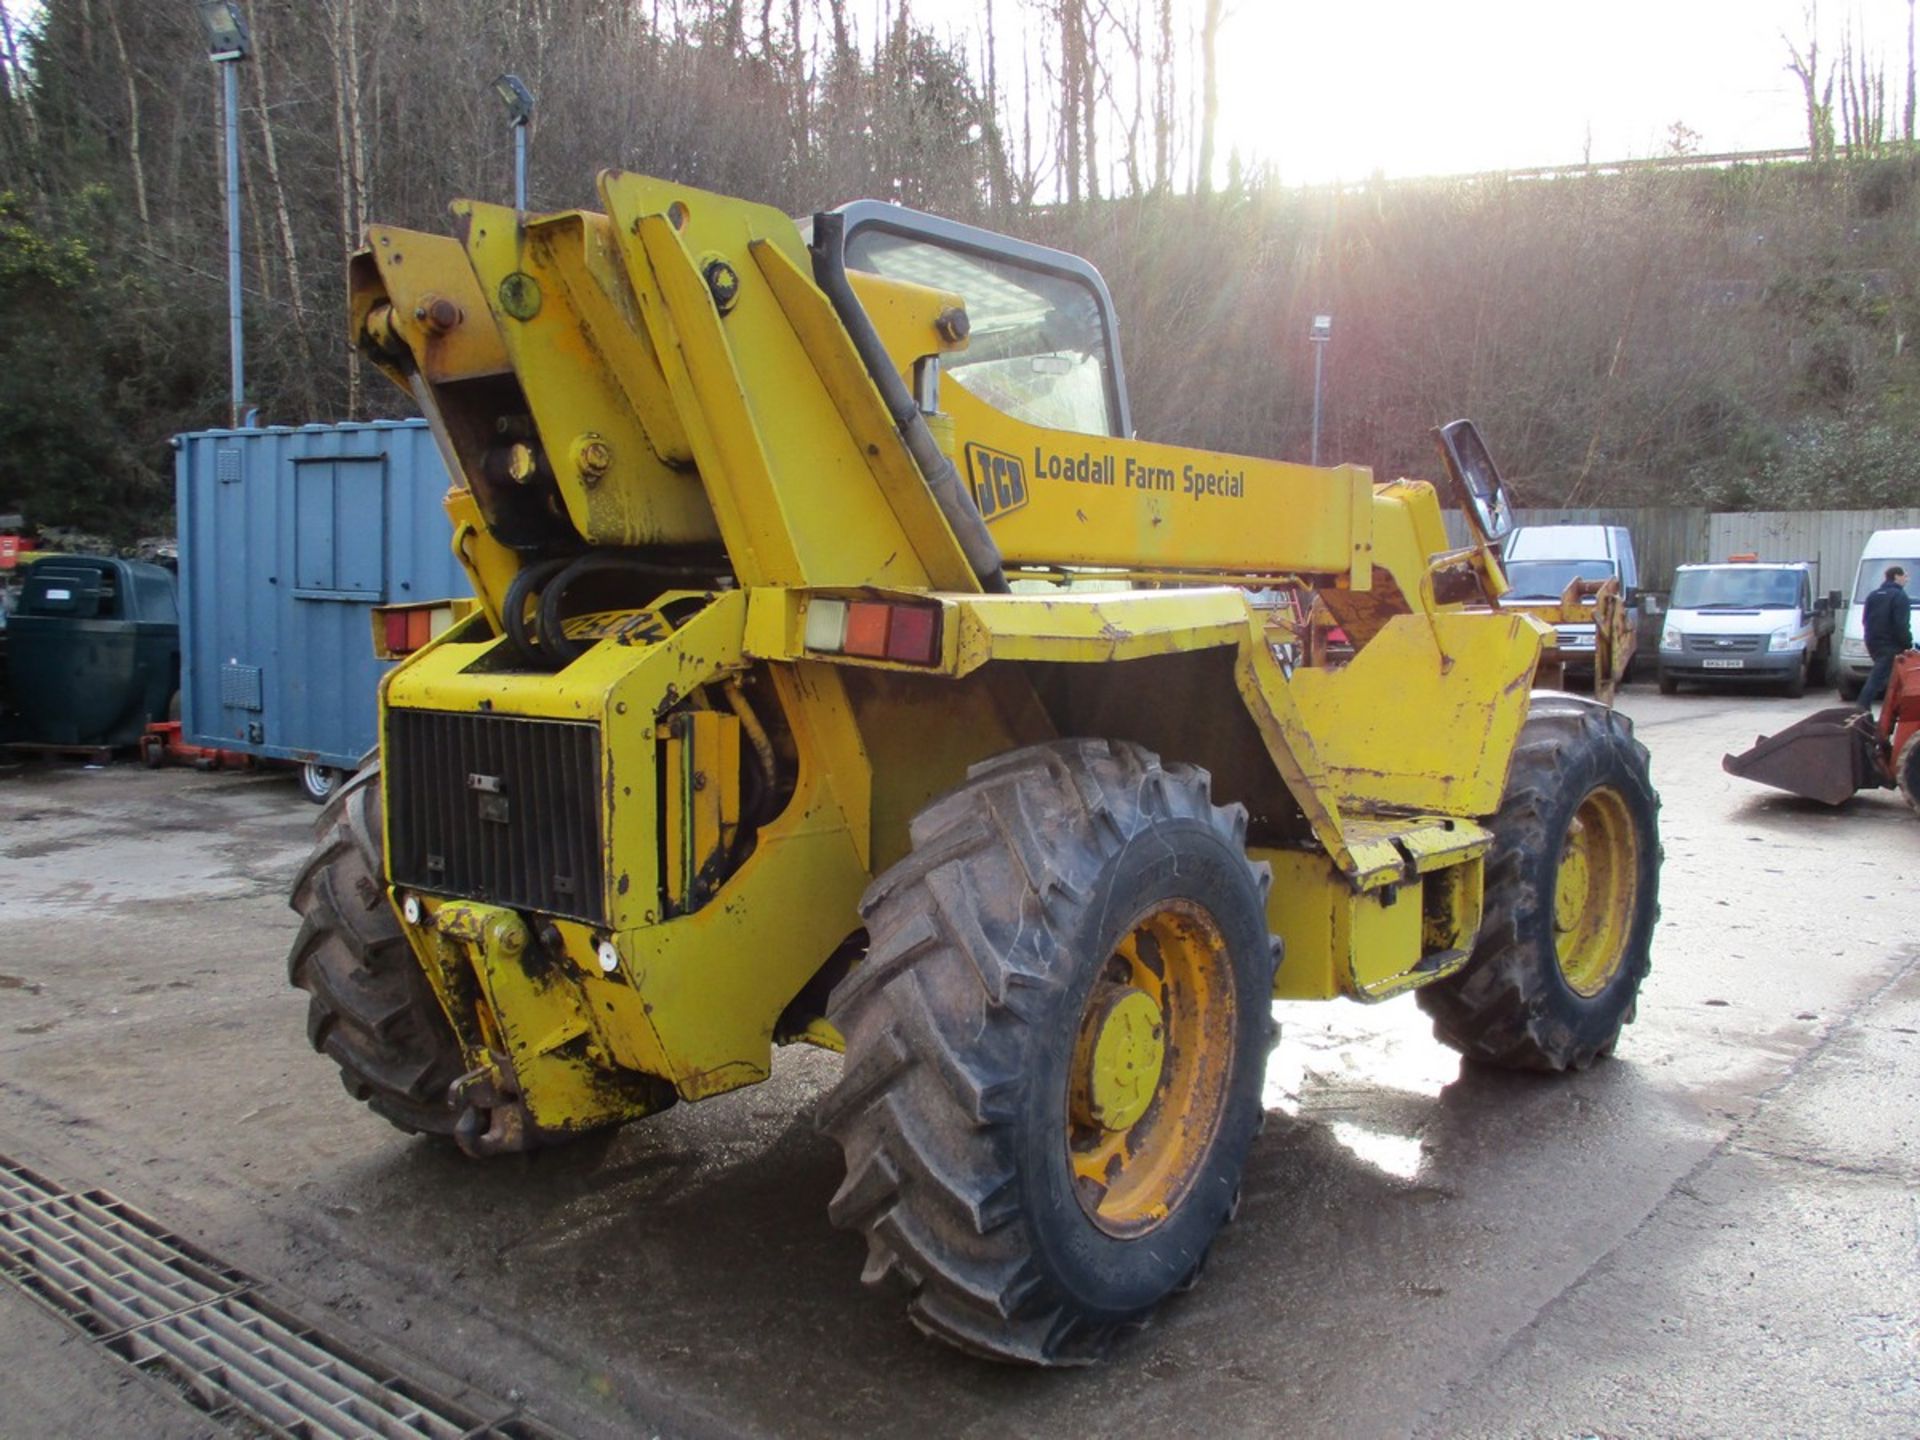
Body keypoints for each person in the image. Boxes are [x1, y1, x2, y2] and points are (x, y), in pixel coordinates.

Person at [1858, 564, 1913, 713]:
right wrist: (1907, 644)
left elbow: (1865, 620)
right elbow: (1901, 624)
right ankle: (1862, 706)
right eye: (1905, 576)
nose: (1906, 579)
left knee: (1892, 677)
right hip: (1891, 644)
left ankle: (1898, 708)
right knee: (1878, 676)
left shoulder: (1873, 595)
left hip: (1873, 642)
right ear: (1896, 576)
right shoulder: (1899, 596)